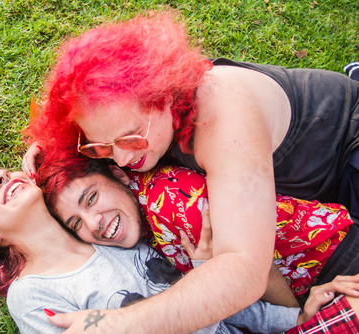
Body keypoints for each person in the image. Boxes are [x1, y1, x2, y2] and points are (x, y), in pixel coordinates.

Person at [22, 11, 359, 333]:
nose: (122, 159)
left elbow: (244, 270)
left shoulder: (224, 114)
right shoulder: (135, 123)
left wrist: (118, 324)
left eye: (133, 138)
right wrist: (51, 153)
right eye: (102, 146)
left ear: (166, 95)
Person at [0, 168, 344, 334]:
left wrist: (295, 319)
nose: (3, 180)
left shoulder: (116, 237)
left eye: (3, 173)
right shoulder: (32, 294)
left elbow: (213, 305)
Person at [37, 154, 358, 306]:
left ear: (119, 176)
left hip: (334, 262)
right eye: (77, 222)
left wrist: (299, 323)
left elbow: (255, 267)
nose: (94, 223)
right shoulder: (133, 213)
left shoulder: (170, 200)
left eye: (91, 198)